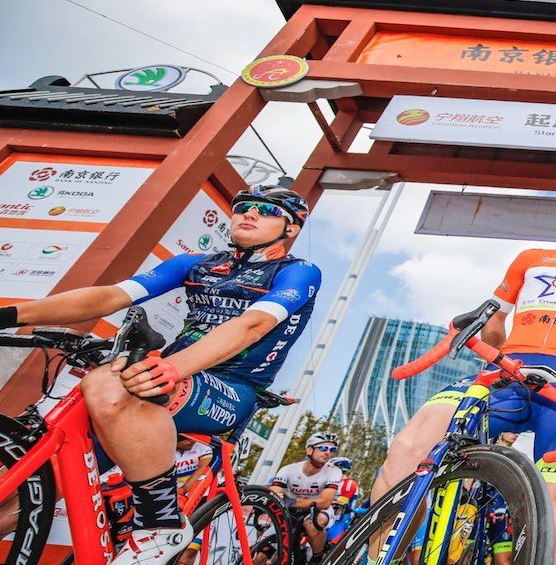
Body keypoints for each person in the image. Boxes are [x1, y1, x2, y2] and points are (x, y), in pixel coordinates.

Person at [0, 184, 319, 564]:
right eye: (244, 206)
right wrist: (12, 315)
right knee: (26, 492)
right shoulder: (197, 264)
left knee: (109, 382)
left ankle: (162, 522)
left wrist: (172, 367)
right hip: (171, 376)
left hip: (233, 387)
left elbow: (253, 325)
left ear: (291, 228)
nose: (249, 213)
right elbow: (111, 296)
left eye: (267, 211)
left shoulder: (298, 271)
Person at [368, 180, 556, 565]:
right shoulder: (530, 258)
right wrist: (494, 353)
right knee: (406, 449)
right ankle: (381, 557)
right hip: (508, 372)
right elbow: (495, 317)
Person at [270, 431, 343, 562]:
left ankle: (317, 558)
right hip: (290, 509)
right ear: (309, 450)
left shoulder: (334, 471)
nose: (328, 453)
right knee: (259, 557)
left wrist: (291, 502)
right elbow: (273, 493)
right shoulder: (289, 469)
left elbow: (325, 502)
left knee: (313, 523)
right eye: (323, 448)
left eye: (332, 450)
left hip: (317, 510)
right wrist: (278, 497)